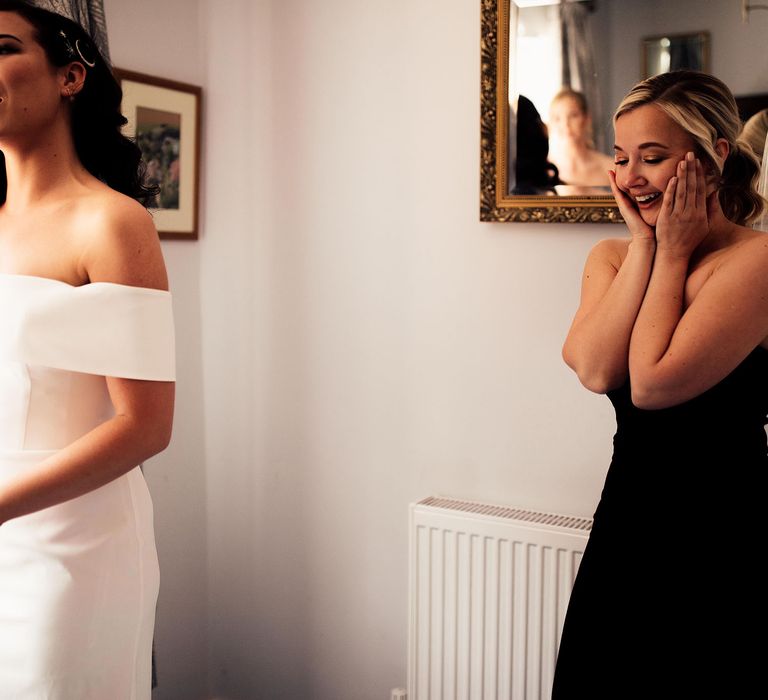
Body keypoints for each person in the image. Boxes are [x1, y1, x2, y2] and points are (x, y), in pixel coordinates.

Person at [554, 70, 767, 698]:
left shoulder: (755, 262)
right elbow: (596, 369)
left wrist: (672, 257)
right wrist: (648, 247)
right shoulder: (612, 258)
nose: (630, 175)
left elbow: (649, 386)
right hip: (630, 520)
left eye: (653, 157)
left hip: (724, 532)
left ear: (714, 157)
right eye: (621, 158)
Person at [0, 2, 175, 697]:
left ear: (70, 76)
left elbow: (146, 426)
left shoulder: (111, 222)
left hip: (71, 552)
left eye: (3, 47)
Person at [547, 88, 613, 189]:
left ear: (586, 118)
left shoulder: (611, 168)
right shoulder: (543, 170)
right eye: (557, 118)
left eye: (573, 115)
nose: (565, 124)